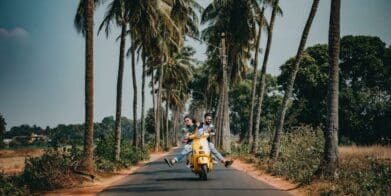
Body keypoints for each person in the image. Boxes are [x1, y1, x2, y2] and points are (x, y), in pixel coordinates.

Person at [164, 114, 233, 168]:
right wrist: (186, 137)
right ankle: (173, 161)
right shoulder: (189, 128)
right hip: (194, 143)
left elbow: (208, 130)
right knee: (185, 150)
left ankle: (224, 162)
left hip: (203, 142)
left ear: (191, 120)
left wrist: (210, 132)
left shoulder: (199, 125)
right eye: (185, 121)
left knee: (212, 148)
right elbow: (188, 134)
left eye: (187, 120)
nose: (186, 122)